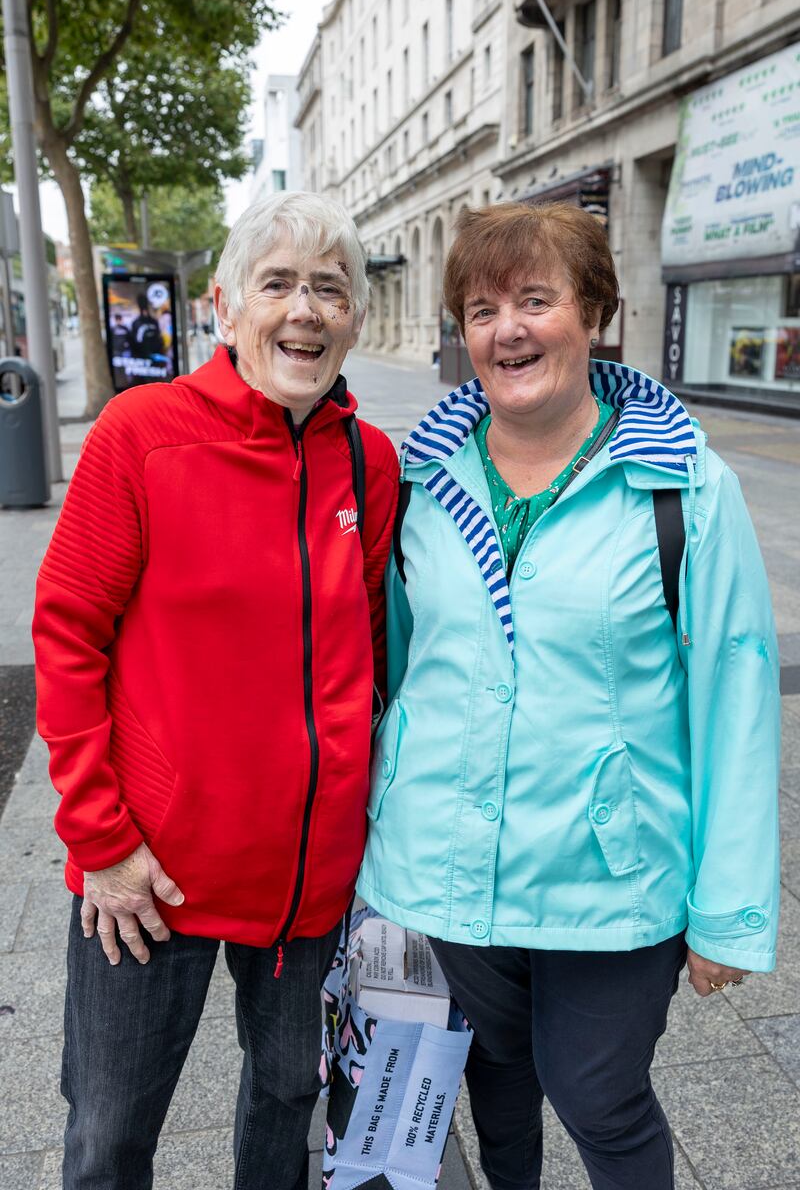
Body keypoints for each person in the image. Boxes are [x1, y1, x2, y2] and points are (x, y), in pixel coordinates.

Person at [357, 201, 780, 1190]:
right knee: (490, 1082)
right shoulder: (416, 480)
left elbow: (733, 699)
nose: (505, 329)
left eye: (534, 300)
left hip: (609, 876)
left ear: (593, 314)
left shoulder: (683, 489)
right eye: (479, 307)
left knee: (596, 1092)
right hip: (432, 871)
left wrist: (726, 912)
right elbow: (399, 666)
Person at [33, 191, 398, 1190]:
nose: (305, 311)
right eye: (277, 283)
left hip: (306, 880)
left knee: (285, 1109)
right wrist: (100, 842)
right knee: (109, 1134)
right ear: (225, 307)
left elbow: (368, 641)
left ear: (354, 319)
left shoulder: (369, 462)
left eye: (330, 288)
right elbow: (67, 637)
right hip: (149, 876)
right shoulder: (140, 435)